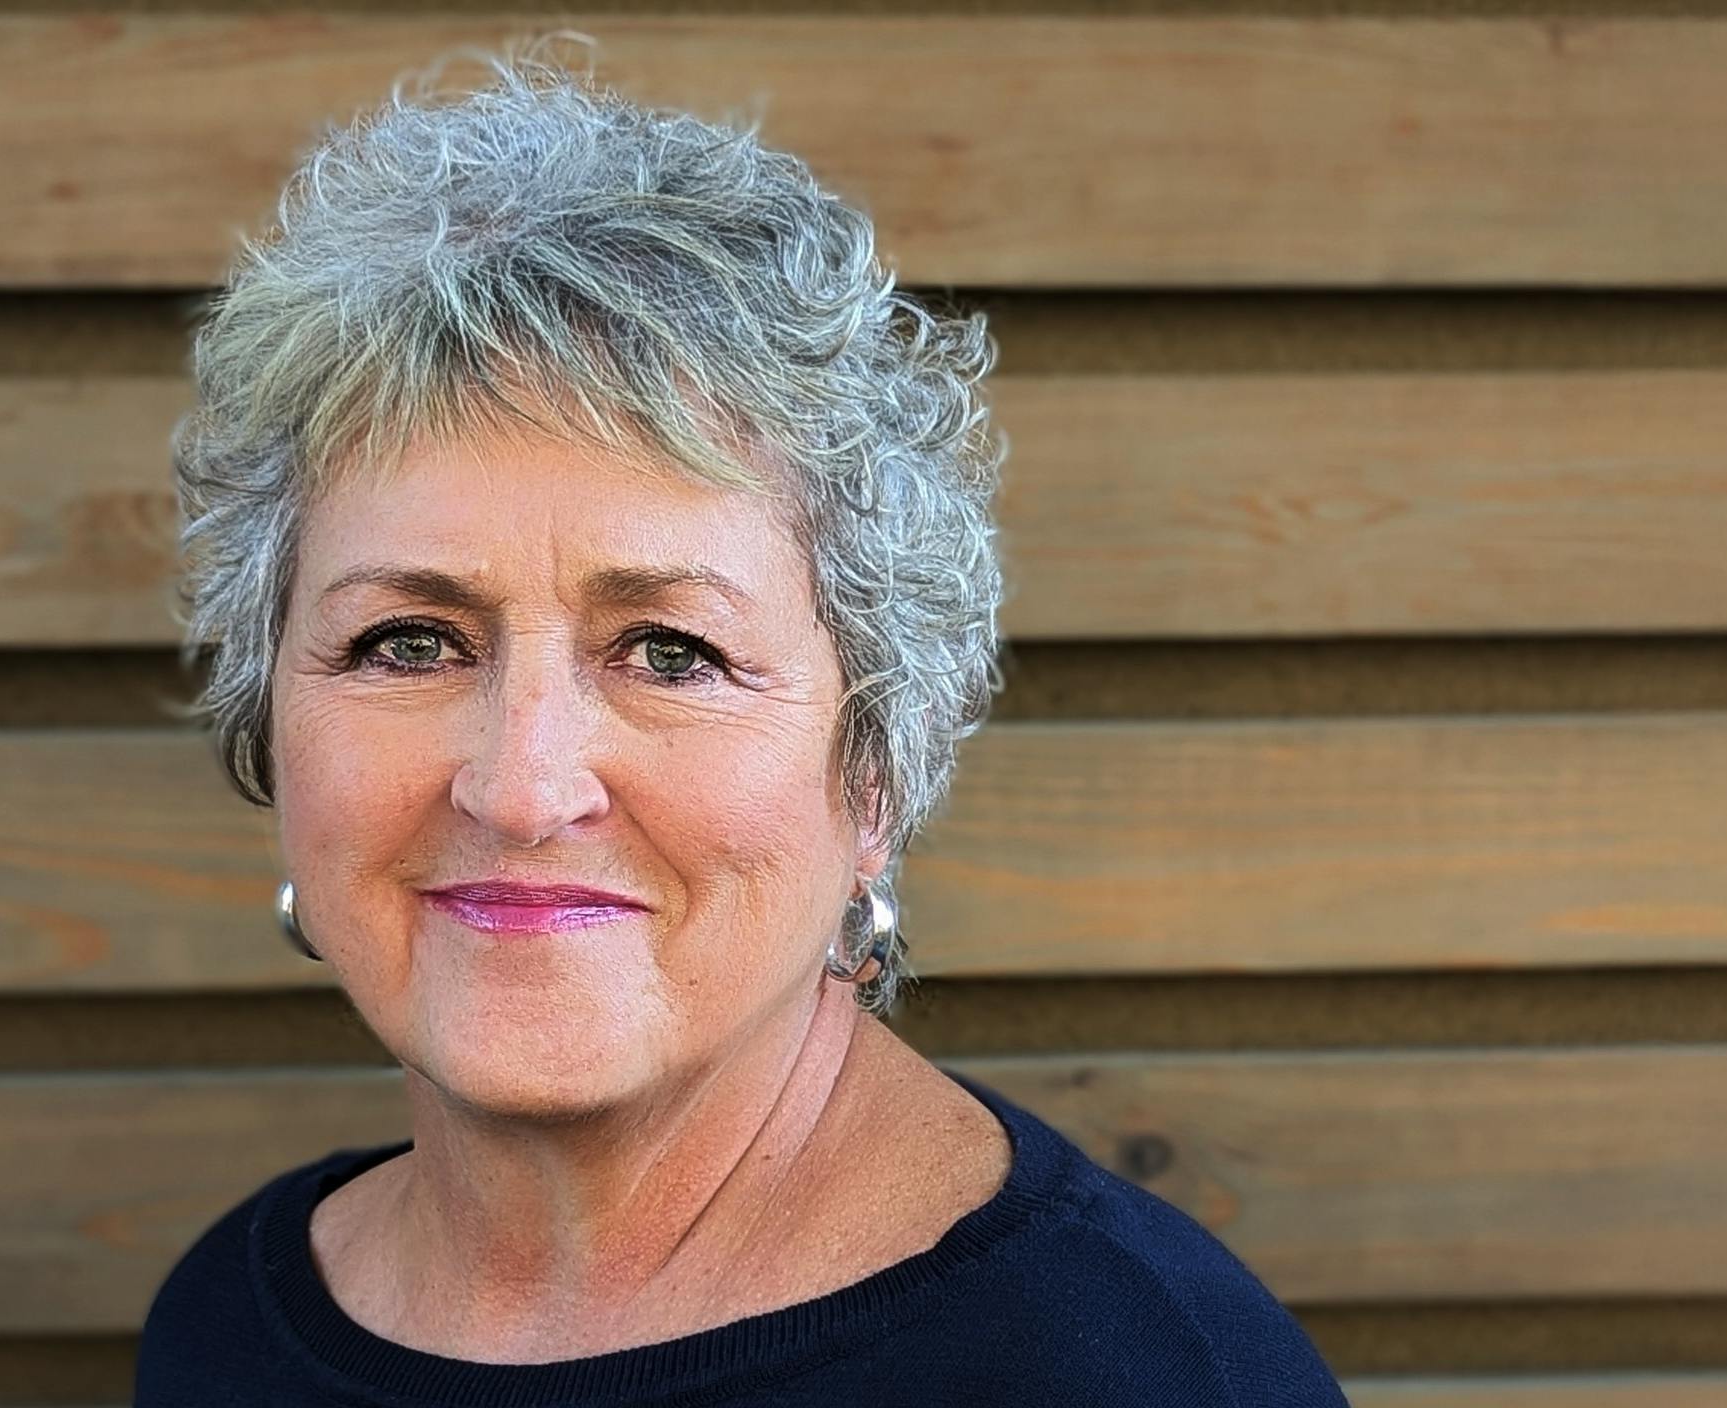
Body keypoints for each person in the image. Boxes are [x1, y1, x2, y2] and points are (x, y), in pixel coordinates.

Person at [133, 43, 1349, 1407]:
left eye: (669, 651)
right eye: (405, 642)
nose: (522, 787)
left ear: (876, 766)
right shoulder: (227, 1327)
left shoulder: (1123, 1376)